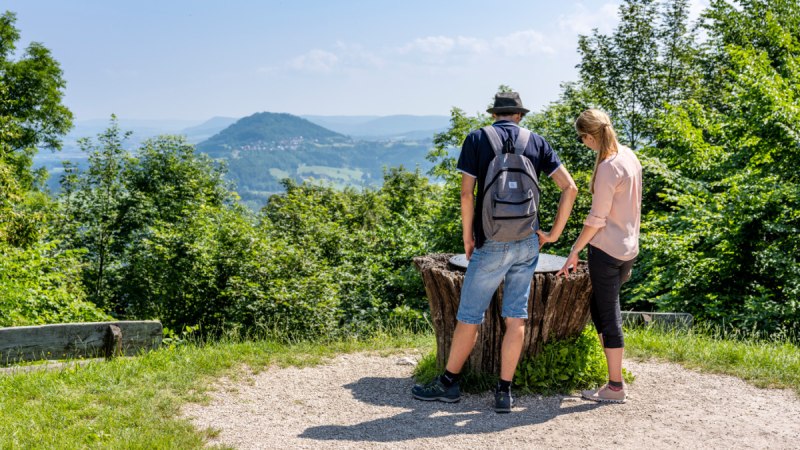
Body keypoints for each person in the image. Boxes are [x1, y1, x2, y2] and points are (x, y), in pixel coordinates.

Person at [411, 92, 578, 413]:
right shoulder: (537, 141)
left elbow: (466, 194)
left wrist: (469, 239)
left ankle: (448, 384)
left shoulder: (477, 139)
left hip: (490, 242)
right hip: (528, 241)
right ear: (519, 115)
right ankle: (504, 392)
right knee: (516, 318)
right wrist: (553, 234)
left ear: (495, 114)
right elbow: (569, 187)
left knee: (469, 316)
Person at [557, 109, 642, 404]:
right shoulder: (629, 156)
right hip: (628, 248)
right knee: (600, 308)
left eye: (583, 139)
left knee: (608, 315)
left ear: (590, 136)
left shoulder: (607, 167)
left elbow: (596, 219)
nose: (584, 144)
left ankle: (615, 386)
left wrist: (575, 250)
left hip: (606, 250)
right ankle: (612, 373)